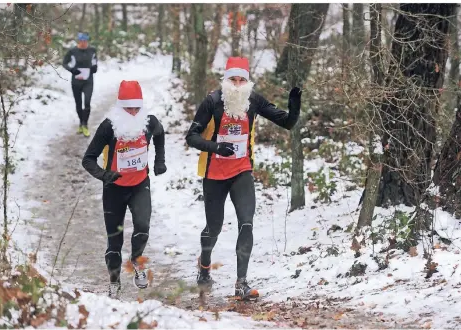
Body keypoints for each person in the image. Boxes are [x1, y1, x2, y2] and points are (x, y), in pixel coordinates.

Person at [185, 57, 302, 300]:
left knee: (246, 223)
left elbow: (287, 123)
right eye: (233, 80)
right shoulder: (212, 101)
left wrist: (294, 105)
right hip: (214, 174)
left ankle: (241, 283)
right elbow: (192, 137)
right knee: (214, 228)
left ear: (248, 82)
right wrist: (216, 147)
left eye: (242, 80)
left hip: (241, 170)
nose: (237, 85)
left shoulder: (254, 101)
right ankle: (204, 266)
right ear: (225, 80)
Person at [82, 80, 167, 299]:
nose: (132, 112)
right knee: (114, 240)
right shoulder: (109, 126)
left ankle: (137, 261)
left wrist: (159, 161)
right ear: (120, 107)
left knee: (143, 224)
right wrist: (103, 174)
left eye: (136, 108)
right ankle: (114, 282)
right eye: (128, 108)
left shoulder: (149, 122)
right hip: (114, 190)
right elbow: (88, 159)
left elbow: (160, 133)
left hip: (140, 185)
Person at [63, 32, 98, 137]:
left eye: (85, 41)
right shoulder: (72, 51)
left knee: (87, 103)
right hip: (76, 81)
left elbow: (95, 62)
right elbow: (64, 63)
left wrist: (94, 68)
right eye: (81, 41)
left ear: (87, 41)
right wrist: (72, 70)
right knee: (78, 104)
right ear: (78, 41)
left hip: (88, 80)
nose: (83, 43)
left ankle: (85, 125)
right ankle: (81, 123)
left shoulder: (92, 50)